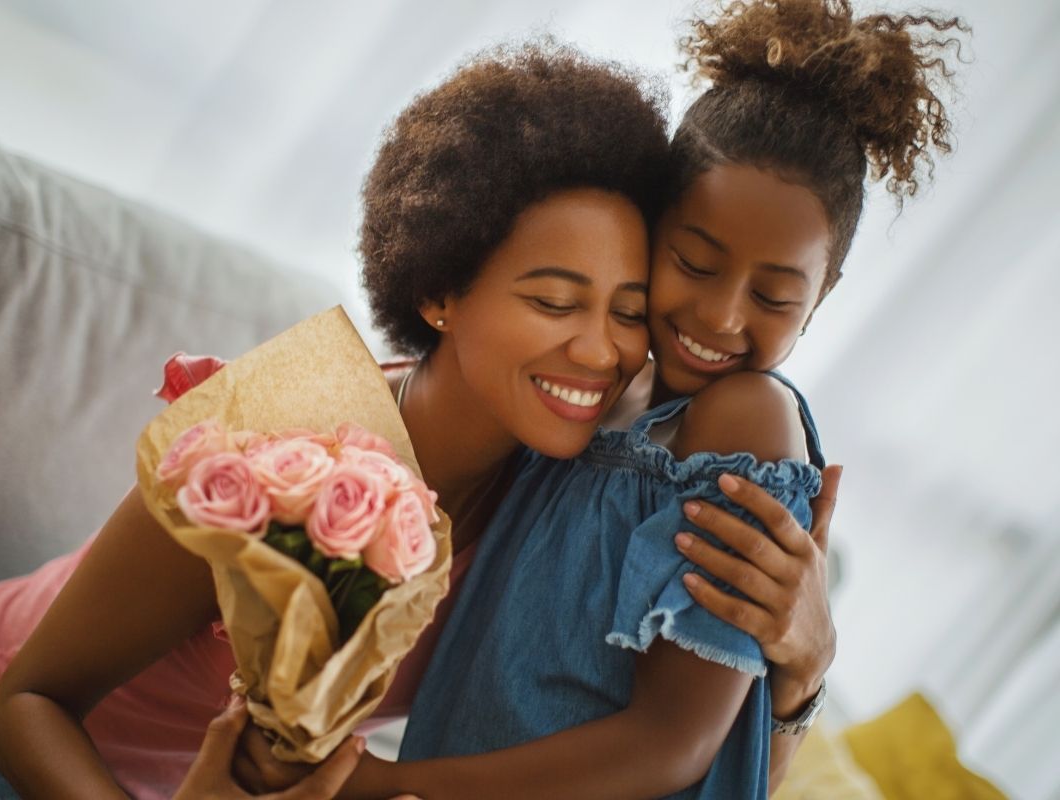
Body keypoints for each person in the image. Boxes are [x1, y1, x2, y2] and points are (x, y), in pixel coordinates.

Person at [0, 38, 839, 799]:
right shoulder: (279, 436)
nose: (600, 352)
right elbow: (28, 701)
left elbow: (672, 748)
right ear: (438, 291)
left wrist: (798, 673)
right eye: (552, 300)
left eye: (627, 310)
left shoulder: (562, 488)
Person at [222, 1, 960, 797]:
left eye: (775, 296)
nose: (721, 317)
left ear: (824, 295)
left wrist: (382, 782)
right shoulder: (588, 396)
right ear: (651, 226)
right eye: (695, 262)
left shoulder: (747, 419)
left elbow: (674, 748)